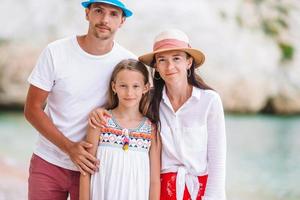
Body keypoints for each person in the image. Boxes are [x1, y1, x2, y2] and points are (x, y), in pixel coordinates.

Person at [90, 29, 226, 200]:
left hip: (199, 190)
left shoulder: (209, 101)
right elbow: (124, 107)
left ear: (189, 62)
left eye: (176, 58)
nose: (170, 67)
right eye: (162, 60)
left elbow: (217, 160)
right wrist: (100, 111)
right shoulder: (150, 100)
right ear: (156, 67)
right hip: (161, 189)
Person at [24, 0, 135, 199]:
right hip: (48, 160)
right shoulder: (56, 52)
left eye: (113, 14)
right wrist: (69, 148)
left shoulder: (127, 62)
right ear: (87, 14)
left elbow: (135, 113)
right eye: (98, 11)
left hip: (94, 166)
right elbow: (32, 109)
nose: (104, 19)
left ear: (122, 21)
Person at [79, 59, 161, 200]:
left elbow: (154, 181)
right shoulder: (100, 121)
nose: (129, 92)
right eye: (123, 86)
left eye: (136, 86)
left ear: (145, 88)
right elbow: (86, 172)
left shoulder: (151, 129)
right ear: (114, 87)